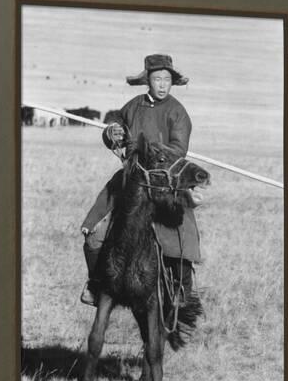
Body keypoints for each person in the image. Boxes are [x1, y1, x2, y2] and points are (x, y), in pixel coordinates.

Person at [80, 54, 202, 306]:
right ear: (148, 80)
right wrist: (112, 132)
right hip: (132, 177)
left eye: (167, 80)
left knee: (182, 232)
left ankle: (182, 289)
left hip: (162, 179)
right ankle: (96, 285)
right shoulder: (133, 105)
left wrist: (150, 155)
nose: (162, 84)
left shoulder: (177, 111)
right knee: (94, 235)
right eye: (157, 79)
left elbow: (178, 149)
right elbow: (116, 127)